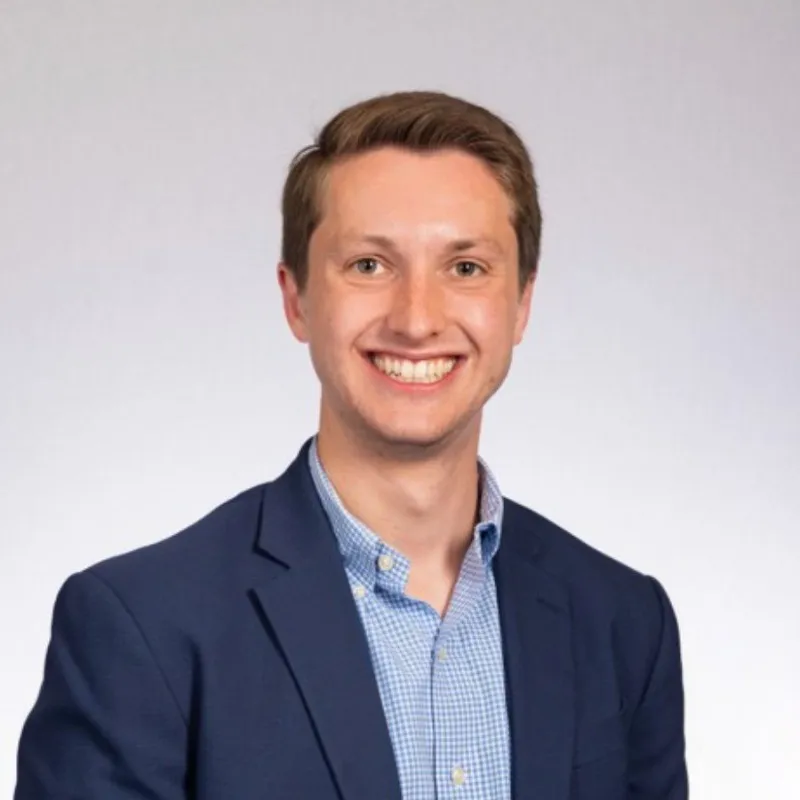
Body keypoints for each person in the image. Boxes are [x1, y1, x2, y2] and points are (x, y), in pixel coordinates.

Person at [14, 90, 688, 799]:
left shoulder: (623, 623)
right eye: (369, 264)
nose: (417, 320)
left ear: (521, 304)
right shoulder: (142, 627)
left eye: (465, 268)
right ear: (296, 300)